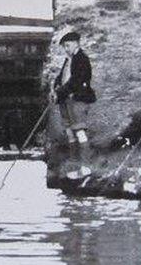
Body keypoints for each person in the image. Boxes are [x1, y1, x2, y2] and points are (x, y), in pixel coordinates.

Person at [52, 31, 96, 178]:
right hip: (66, 100)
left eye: (68, 45)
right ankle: (76, 168)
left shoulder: (82, 59)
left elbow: (76, 80)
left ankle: (86, 167)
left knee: (80, 132)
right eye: (64, 46)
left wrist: (61, 91)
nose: (66, 48)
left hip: (78, 100)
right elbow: (60, 78)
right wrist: (55, 88)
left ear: (76, 43)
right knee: (70, 133)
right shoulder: (68, 60)